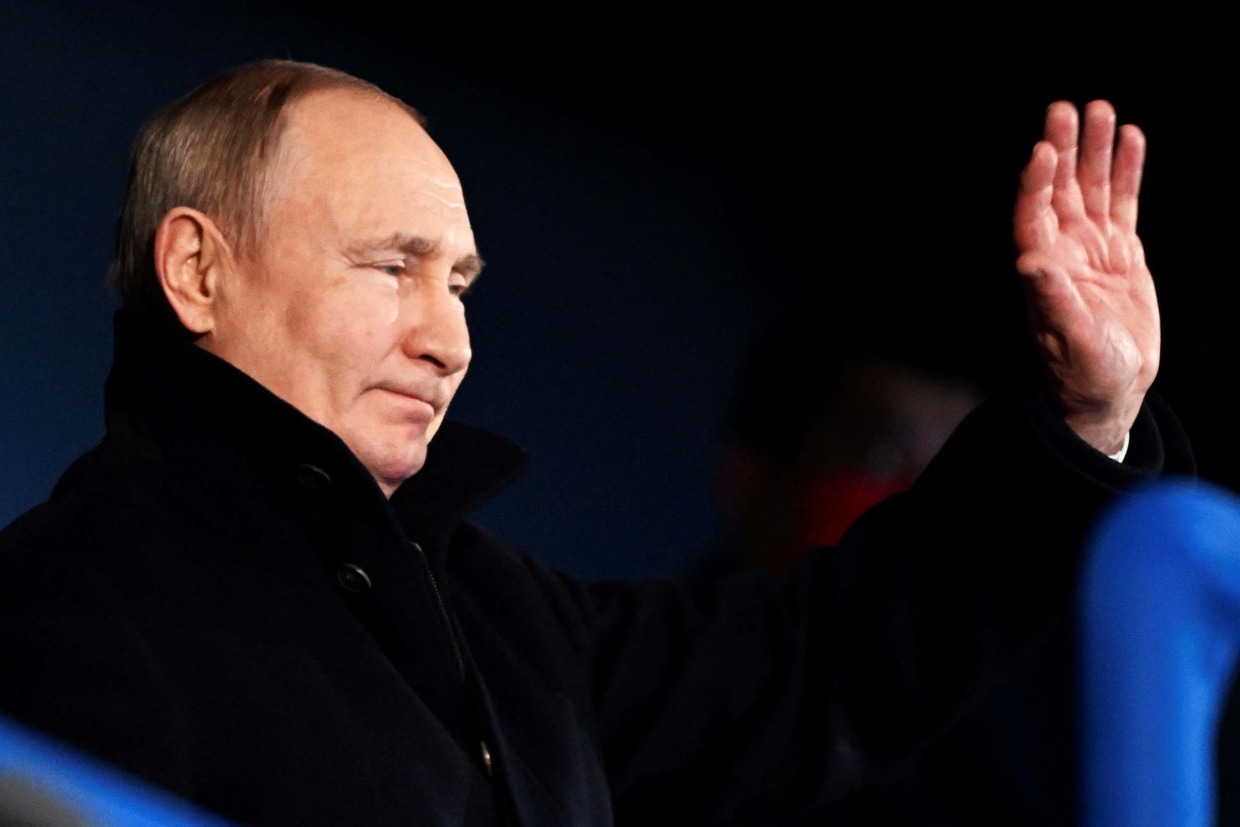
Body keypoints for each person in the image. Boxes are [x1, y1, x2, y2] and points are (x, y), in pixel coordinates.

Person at [0, 60, 1192, 827]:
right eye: (392, 266)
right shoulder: (61, 609)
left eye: (460, 282)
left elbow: (817, 666)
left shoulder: (503, 611)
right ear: (198, 270)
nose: (449, 340)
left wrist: (1079, 422)